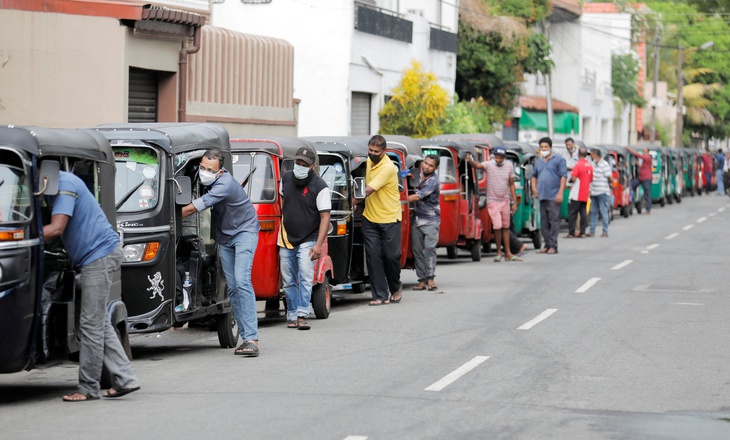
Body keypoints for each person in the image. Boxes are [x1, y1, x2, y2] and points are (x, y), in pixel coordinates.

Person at [43, 171, 140, 402]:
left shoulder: (65, 183)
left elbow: (56, 228)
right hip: (96, 255)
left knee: (90, 323)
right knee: (97, 321)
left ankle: (88, 388)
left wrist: (16, 235)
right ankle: (126, 378)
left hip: (98, 255)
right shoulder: (53, 184)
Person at [182, 149, 261, 356]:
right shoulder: (203, 179)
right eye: (202, 167)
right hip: (225, 237)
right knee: (233, 288)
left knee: (243, 282)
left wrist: (164, 218)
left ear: (220, 171)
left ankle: (252, 339)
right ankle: (246, 339)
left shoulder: (224, 184)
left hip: (245, 231)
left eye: (210, 170)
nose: (205, 172)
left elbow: (193, 208)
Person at [278, 146, 331, 330]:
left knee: (306, 276)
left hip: (309, 238)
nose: (300, 166)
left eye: (304, 164)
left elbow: (325, 217)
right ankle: (291, 314)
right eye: (297, 163)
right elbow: (284, 202)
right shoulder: (285, 178)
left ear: (312, 166)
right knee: (288, 280)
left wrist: (318, 245)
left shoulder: (320, 186)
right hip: (286, 238)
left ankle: (302, 314)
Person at [359, 135, 402, 306]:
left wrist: (350, 201)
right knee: (373, 256)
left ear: (384, 151)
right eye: (370, 150)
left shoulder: (388, 167)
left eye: (376, 151)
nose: (372, 154)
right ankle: (380, 295)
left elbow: (367, 190)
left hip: (389, 217)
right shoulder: (369, 162)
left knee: (391, 257)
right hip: (370, 217)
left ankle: (395, 287)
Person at [466, 147, 521, 262]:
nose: (499, 160)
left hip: (505, 200)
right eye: (497, 157)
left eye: (501, 158)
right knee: (497, 226)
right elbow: (477, 166)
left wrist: (514, 202)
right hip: (492, 201)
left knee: (506, 227)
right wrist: (469, 160)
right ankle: (498, 253)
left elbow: (511, 184)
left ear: (504, 158)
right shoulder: (489, 164)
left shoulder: (509, 166)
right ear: (493, 157)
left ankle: (508, 253)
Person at [408, 154, 440, 291]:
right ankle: (421, 280)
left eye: (430, 165)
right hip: (416, 219)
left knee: (429, 250)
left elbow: (418, 196)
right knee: (417, 251)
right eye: (425, 163)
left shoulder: (433, 181)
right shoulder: (417, 175)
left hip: (430, 220)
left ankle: (431, 279)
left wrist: (397, 200)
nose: (426, 166)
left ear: (435, 168)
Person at [531, 137, 566, 254]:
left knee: (554, 221)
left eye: (545, 147)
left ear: (550, 148)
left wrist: (560, 192)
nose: (543, 149)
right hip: (542, 195)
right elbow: (534, 176)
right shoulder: (539, 161)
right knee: (544, 222)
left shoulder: (558, 160)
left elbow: (563, 177)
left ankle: (553, 246)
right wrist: (534, 189)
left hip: (554, 196)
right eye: (541, 147)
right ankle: (546, 244)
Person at [566, 147, 593, 238]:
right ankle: (582, 232)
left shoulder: (578, 165)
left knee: (572, 213)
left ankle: (571, 232)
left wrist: (569, 180)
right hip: (585, 193)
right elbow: (591, 179)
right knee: (583, 213)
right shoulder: (589, 165)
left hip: (576, 193)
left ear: (578, 155)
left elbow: (573, 178)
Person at [588, 149, 613, 238]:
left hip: (602, 192)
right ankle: (592, 231)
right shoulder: (592, 164)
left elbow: (610, 178)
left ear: (595, 155)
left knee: (603, 211)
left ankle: (605, 231)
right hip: (594, 192)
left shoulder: (604, 164)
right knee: (594, 212)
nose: (590, 157)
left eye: (591, 155)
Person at [626, 146, 652, 214]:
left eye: (644, 151)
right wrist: (636, 162)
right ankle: (631, 200)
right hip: (641, 178)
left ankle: (648, 209)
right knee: (631, 185)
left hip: (646, 178)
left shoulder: (648, 157)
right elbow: (642, 167)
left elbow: (639, 155)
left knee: (647, 193)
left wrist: (630, 149)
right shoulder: (645, 161)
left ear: (647, 152)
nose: (643, 152)